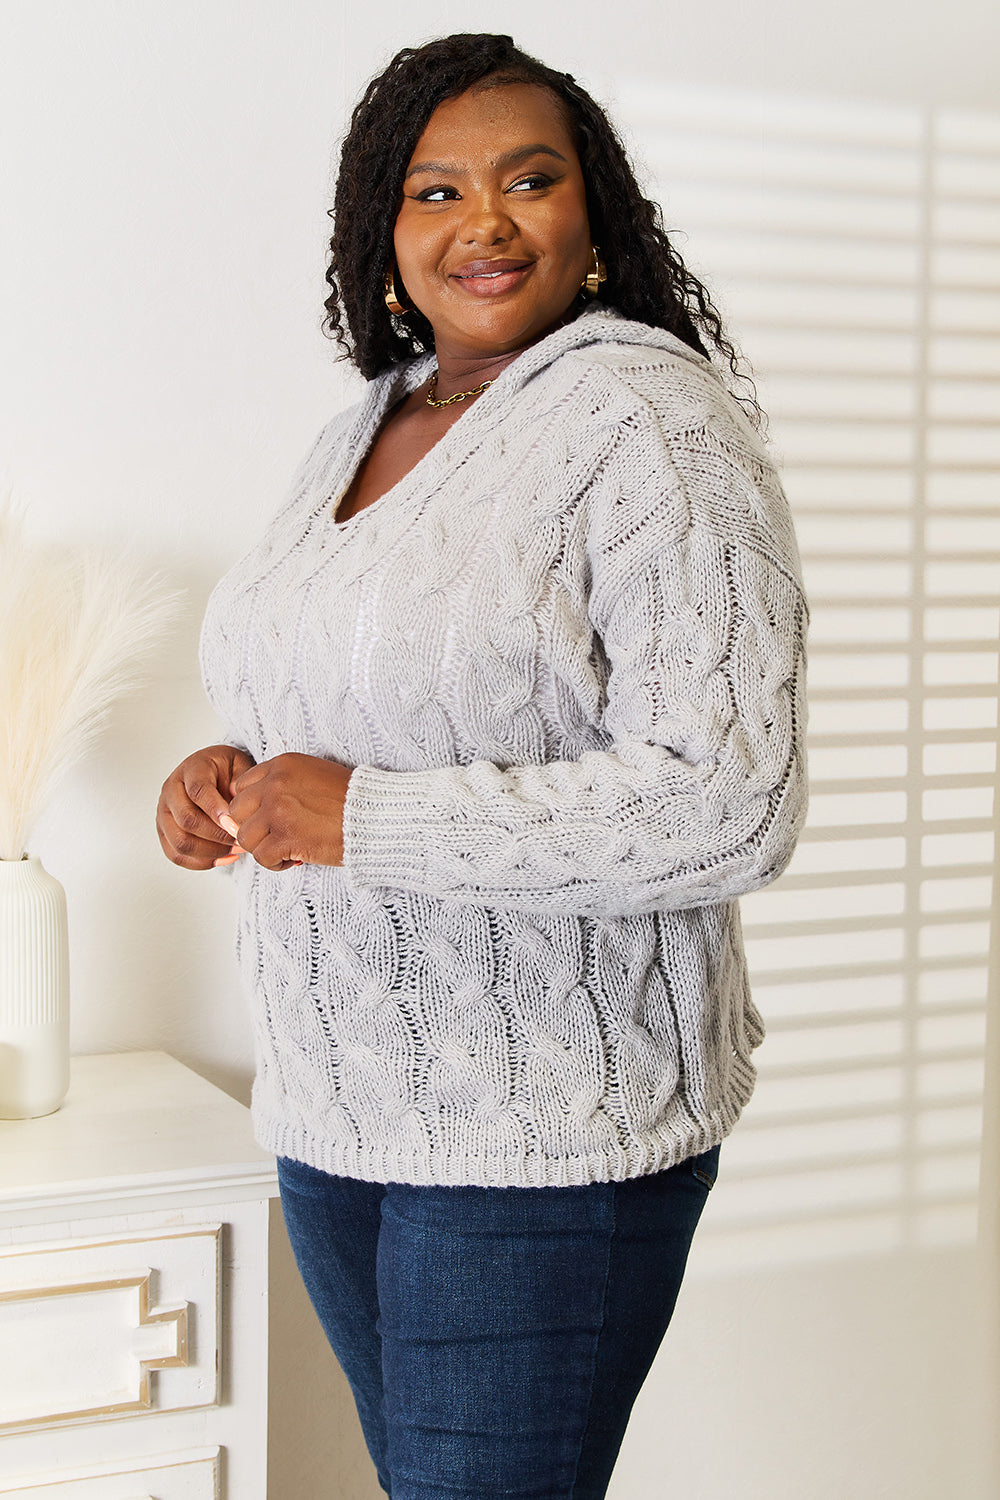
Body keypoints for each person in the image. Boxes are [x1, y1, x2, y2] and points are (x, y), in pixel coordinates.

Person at [157, 32, 808, 1500]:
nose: (486, 221)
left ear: (596, 222)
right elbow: (360, 703)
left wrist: (360, 819)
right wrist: (227, 775)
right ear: (385, 236)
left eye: (531, 180)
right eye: (437, 191)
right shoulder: (362, 425)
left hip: (546, 1133)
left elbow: (730, 798)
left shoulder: (647, 420)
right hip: (339, 1108)